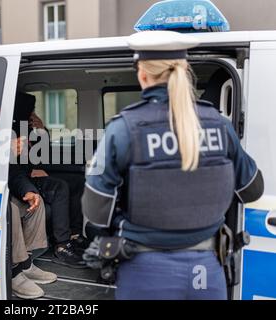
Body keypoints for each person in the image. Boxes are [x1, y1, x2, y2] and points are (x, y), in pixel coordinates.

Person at [81, 31, 264, 300]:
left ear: (142, 74)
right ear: (184, 70)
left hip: (145, 273)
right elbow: (253, 189)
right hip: (208, 272)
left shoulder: (123, 130)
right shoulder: (220, 126)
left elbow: (96, 213)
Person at [12, 92, 86, 268]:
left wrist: (41, 129)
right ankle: (61, 246)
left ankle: (74, 235)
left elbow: (41, 152)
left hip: (32, 172)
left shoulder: (27, 126)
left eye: (34, 109)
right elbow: (13, 167)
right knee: (59, 186)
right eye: (30, 109)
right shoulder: (11, 130)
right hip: (23, 178)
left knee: (78, 181)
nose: (32, 112)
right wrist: (30, 172)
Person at [9, 135, 57, 300]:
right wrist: (3, 151)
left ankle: (26, 264)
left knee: (36, 202)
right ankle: (13, 272)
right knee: (11, 210)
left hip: (6, 190)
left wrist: (28, 191)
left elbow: (13, 173)